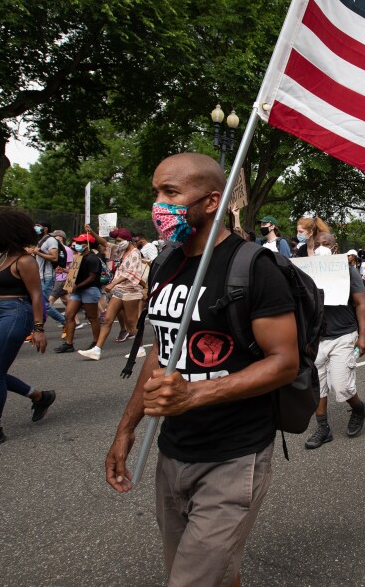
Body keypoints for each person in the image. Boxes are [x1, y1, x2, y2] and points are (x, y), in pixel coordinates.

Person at [105, 152, 298, 587]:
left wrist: (194, 395)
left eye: (171, 193)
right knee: (203, 571)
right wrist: (126, 428)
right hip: (173, 451)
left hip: (233, 455)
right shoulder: (166, 263)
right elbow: (162, 351)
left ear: (212, 201)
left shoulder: (253, 266)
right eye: (156, 192)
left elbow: (285, 363)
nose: (159, 204)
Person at [0, 212, 55, 452]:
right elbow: (2, 284)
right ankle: (39, 397)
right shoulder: (3, 256)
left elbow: (37, 295)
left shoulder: (25, 261)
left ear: (8, 234)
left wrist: (38, 329)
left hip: (14, 314)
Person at [303, 233, 365, 449]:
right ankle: (323, 428)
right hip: (316, 339)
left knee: (341, 387)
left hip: (343, 335)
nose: (321, 248)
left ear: (335, 247)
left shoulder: (347, 270)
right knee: (318, 386)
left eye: (326, 244)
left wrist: (363, 336)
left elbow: (360, 304)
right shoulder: (305, 272)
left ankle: (359, 408)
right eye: (317, 245)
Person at [77, 228, 143, 361]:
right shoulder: (120, 250)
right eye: (116, 241)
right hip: (118, 290)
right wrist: (92, 232)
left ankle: (140, 348)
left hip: (131, 291)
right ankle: (97, 349)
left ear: (127, 240)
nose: (117, 243)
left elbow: (131, 273)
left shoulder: (135, 253)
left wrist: (112, 284)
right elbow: (105, 244)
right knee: (107, 319)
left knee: (131, 322)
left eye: (119, 241)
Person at [54, 233, 103, 354]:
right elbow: (75, 273)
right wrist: (65, 271)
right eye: (77, 242)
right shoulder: (79, 257)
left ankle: (96, 342)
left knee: (92, 317)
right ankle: (69, 343)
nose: (77, 245)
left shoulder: (93, 258)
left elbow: (92, 277)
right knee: (69, 315)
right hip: (78, 290)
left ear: (87, 245)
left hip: (90, 290)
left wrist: (77, 286)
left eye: (80, 243)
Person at [31, 220, 67, 333]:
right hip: (39, 276)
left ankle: (65, 322)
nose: (35, 228)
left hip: (47, 276)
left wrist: (38, 252)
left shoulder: (51, 240)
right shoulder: (39, 240)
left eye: (38, 226)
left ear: (45, 228)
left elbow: (54, 258)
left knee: (44, 304)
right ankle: (36, 329)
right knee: (39, 303)